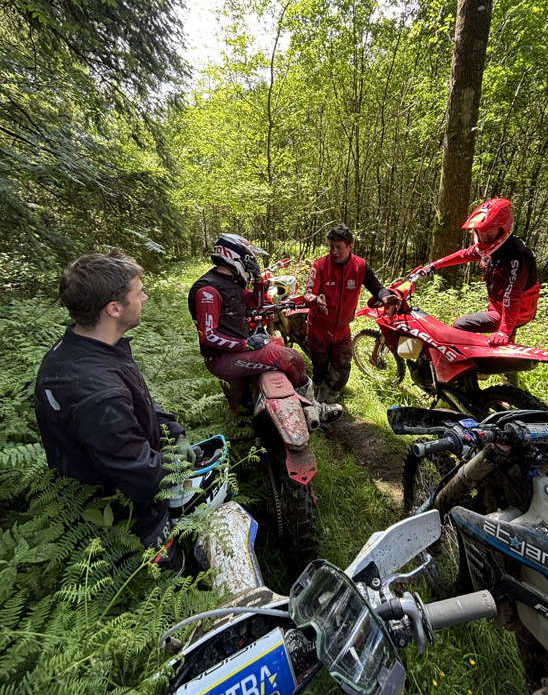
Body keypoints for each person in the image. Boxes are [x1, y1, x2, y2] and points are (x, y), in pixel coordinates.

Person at [35, 251, 195, 562]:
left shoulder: (86, 349)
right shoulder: (97, 392)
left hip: (122, 500)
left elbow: (139, 400)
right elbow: (138, 475)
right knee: (176, 576)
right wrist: (174, 465)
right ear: (114, 308)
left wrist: (174, 432)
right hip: (129, 520)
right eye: (138, 292)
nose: (145, 297)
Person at [188, 233, 342, 426]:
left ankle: (263, 420)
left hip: (232, 352)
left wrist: (258, 279)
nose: (250, 262)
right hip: (222, 358)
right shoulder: (209, 291)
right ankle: (314, 408)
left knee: (241, 404)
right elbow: (208, 337)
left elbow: (256, 303)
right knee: (293, 359)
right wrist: (245, 344)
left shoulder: (228, 284)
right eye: (248, 259)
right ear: (232, 256)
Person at [416, 198, 540, 346]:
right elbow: (464, 254)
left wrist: (504, 330)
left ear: (503, 230)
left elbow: (512, 295)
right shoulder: (490, 248)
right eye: (480, 233)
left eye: (489, 234)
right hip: (501, 309)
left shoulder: (517, 256)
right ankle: (506, 363)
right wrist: (432, 266)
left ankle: (467, 367)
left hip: (518, 311)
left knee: (461, 326)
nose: (483, 239)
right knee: (506, 351)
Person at [303, 224, 400, 403]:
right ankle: (317, 399)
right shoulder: (320, 266)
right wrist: (316, 300)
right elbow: (307, 294)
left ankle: (326, 399)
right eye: (331, 246)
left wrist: (386, 297)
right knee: (320, 366)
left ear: (350, 246)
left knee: (343, 367)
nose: (334, 251)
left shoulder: (360, 266)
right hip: (318, 329)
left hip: (342, 329)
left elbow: (377, 288)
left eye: (338, 247)